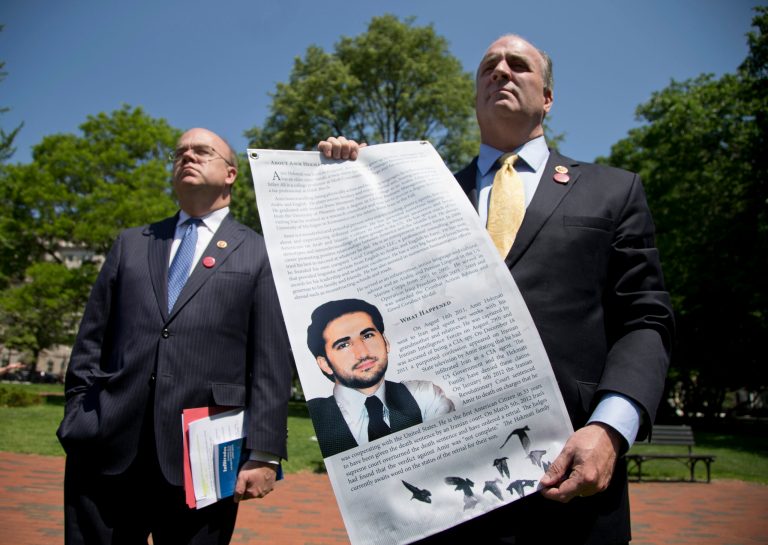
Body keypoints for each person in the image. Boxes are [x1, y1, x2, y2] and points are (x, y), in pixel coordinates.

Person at [318, 34, 673, 545]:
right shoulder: (421, 195)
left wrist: (610, 428)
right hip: (442, 487)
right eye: (489, 66)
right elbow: (362, 285)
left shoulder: (613, 190)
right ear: (476, 95)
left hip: (570, 469)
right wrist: (349, 180)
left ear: (546, 97)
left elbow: (646, 320)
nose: (500, 71)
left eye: (517, 64)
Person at [57, 128, 292, 544]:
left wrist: (264, 453)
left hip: (203, 460)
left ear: (231, 174)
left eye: (202, 151)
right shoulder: (131, 244)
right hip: (107, 448)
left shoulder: (259, 253)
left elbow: (271, 363)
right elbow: (91, 340)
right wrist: (79, 417)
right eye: (180, 152)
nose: (188, 157)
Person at [306, 298, 455, 457]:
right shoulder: (313, 417)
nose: (363, 353)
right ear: (324, 364)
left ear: (385, 342)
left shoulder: (424, 395)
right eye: (343, 345)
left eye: (368, 336)